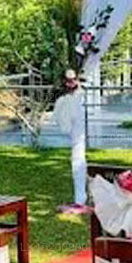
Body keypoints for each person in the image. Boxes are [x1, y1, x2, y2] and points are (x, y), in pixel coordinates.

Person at [53, 70, 90, 215]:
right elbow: (66, 125)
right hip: (77, 138)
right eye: (68, 80)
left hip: (79, 139)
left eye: (73, 80)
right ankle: (80, 198)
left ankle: (80, 200)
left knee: (78, 161)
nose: (71, 83)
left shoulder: (80, 97)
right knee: (77, 161)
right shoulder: (69, 99)